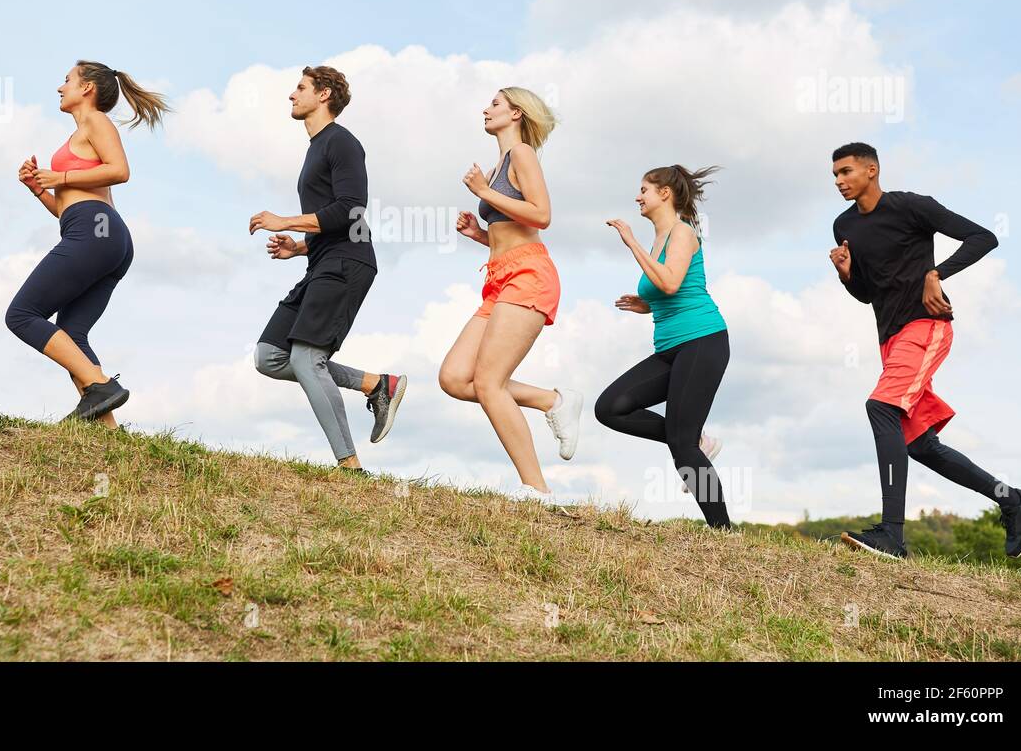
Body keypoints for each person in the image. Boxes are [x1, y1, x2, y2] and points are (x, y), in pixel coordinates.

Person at [829, 141, 1021, 559]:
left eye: (847, 172)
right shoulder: (844, 226)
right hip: (890, 339)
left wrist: (936, 273)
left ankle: (892, 535)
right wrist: (847, 276)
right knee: (919, 445)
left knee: (881, 408)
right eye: (835, 175)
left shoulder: (912, 207)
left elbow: (984, 236)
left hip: (925, 328)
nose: (839, 181)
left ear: (872, 170)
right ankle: (1012, 499)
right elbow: (869, 294)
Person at [250, 66, 406, 470]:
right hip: (323, 260)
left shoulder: (342, 142)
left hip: (348, 263)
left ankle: (349, 467)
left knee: (305, 359)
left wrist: (285, 221)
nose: (291, 95)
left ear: (323, 95)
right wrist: (301, 247)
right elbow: (331, 219)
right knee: (270, 356)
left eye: (300, 88)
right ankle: (376, 385)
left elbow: (350, 210)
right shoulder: (315, 147)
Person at [439, 87, 582, 503]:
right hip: (500, 276)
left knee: (488, 382)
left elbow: (542, 215)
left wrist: (484, 192)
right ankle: (552, 400)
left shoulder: (522, 155)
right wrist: (479, 235)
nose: (486, 108)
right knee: (453, 377)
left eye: (496, 104)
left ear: (516, 113)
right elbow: (510, 230)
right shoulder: (500, 162)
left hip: (528, 274)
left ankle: (537, 489)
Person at [6, 61, 167, 424]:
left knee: (21, 315)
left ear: (88, 88)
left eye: (67, 80)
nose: (60, 88)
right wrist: (39, 189)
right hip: (99, 233)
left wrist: (58, 174)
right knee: (72, 333)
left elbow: (120, 170)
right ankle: (108, 432)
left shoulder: (95, 120)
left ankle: (102, 385)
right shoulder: (79, 136)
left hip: (97, 230)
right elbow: (65, 208)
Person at [594, 166, 732, 529]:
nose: (638, 197)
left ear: (665, 193)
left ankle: (724, 531)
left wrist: (631, 243)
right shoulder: (658, 240)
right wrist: (646, 304)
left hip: (702, 341)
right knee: (610, 408)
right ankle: (695, 437)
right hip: (671, 348)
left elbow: (670, 283)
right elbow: (667, 289)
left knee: (681, 446)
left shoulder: (682, 232)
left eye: (644, 190)